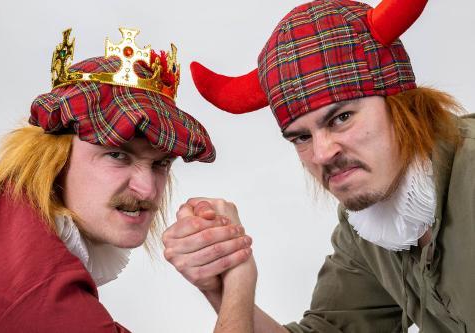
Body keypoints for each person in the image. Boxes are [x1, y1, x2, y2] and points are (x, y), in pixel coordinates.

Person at [163, 0, 475, 332]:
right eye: (301, 138)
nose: (322, 153)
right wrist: (227, 284)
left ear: (403, 105)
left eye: (341, 118)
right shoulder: (370, 225)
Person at [0, 27, 220, 332]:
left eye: (161, 163)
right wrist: (231, 287)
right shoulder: (36, 291)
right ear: (54, 157)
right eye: (117, 155)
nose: (147, 189)